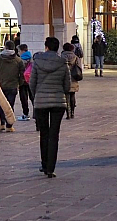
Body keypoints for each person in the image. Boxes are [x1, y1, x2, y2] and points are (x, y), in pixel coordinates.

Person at [30, 36, 71, 177]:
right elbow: (67, 86)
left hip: (41, 102)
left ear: (46, 47)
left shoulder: (37, 62)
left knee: (44, 134)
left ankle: (44, 163)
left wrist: (37, 95)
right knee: (54, 135)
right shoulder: (63, 63)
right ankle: (50, 168)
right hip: (58, 102)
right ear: (57, 48)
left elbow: (32, 83)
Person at [0, 40, 24, 132]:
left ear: (5, 47)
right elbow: (22, 73)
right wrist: (20, 83)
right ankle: (9, 125)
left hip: (1, 85)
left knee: (2, 105)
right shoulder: (18, 60)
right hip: (13, 85)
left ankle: (2, 124)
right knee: (10, 105)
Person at [61, 42, 82, 119]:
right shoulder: (76, 57)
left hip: (64, 78)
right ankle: (72, 112)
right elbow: (79, 67)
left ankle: (68, 113)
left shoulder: (61, 57)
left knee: (66, 97)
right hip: (73, 78)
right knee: (72, 95)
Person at [17, 44, 32, 121]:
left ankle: (26, 114)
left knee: (24, 99)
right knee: (33, 98)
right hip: (30, 81)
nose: (18, 53)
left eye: (19, 51)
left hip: (23, 81)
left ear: (22, 51)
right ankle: (36, 114)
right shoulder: (32, 58)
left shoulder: (20, 60)